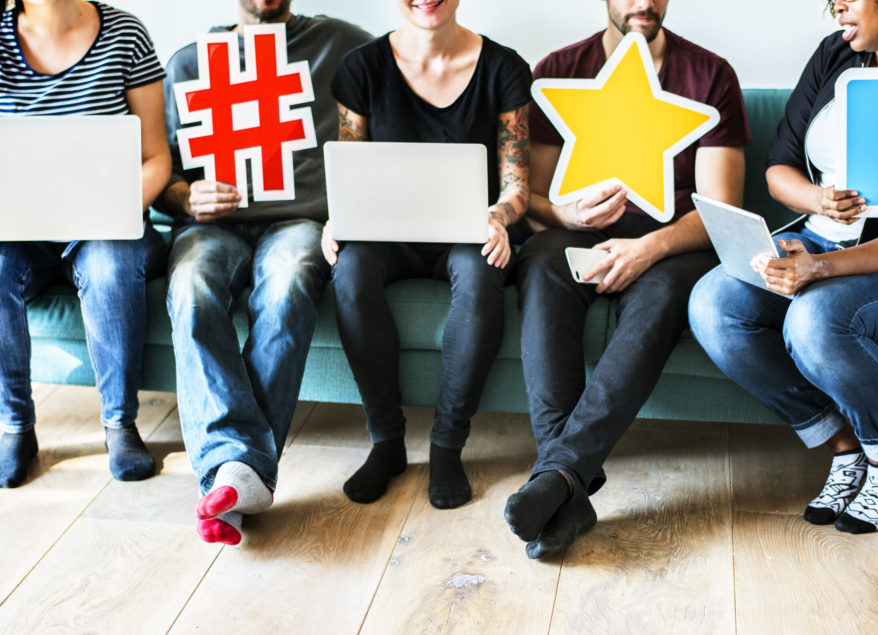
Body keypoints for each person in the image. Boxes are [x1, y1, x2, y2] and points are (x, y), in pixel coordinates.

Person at [689, 0, 878, 533]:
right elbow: (780, 166)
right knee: (713, 302)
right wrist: (818, 201)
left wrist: (822, 268)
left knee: (814, 321)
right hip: (816, 237)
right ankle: (843, 446)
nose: (835, 5)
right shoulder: (834, 55)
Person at [505, 0, 750, 558]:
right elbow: (534, 199)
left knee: (664, 295)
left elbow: (720, 209)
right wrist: (568, 217)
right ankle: (566, 487)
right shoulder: (559, 71)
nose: (643, 2)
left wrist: (647, 248)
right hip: (577, 232)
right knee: (541, 264)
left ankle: (558, 478)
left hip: (674, 243)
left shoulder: (710, 75)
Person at [157, 0, 370, 545]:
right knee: (191, 287)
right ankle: (241, 470)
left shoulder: (341, 43)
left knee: (290, 281)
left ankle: (230, 476)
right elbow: (166, 175)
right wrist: (187, 195)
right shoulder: (188, 62)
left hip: (299, 221)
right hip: (213, 225)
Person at [321, 0, 531, 510]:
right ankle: (386, 442)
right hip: (386, 236)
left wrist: (499, 216)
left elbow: (517, 183)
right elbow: (351, 167)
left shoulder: (504, 68)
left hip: (468, 231)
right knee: (348, 272)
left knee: (483, 273)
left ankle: (446, 446)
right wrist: (338, 217)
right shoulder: (362, 68)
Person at [0, 0, 169, 487]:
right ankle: (15, 426)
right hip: (21, 234)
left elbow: (156, 156)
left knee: (110, 266)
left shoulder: (125, 34)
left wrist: (112, 212)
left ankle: (120, 424)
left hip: (106, 228)